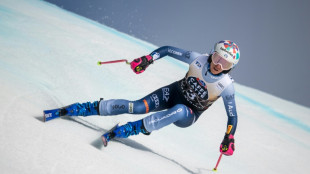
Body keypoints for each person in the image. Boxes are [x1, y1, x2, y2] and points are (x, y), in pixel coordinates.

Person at [46, 40, 240, 156]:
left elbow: (232, 116)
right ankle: (83, 108)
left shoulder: (226, 87)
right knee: (135, 107)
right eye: (216, 58)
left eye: (225, 63)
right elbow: (167, 50)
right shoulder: (197, 58)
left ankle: (131, 129)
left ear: (231, 67)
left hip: (188, 114)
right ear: (212, 53)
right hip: (173, 93)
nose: (218, 65)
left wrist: (228, 137)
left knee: (179, 111)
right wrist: (148, 59)